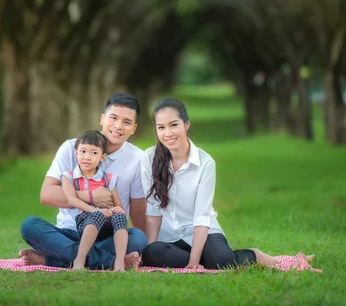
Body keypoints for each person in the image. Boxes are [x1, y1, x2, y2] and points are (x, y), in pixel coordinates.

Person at [140, 97, 321, 272]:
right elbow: (153, 210)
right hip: (169, 237)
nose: (168, 133)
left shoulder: (205, 163)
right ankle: (202, 258)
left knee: (222, 261)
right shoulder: (149, 158)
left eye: (174, 125)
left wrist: (194, 262)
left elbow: (202, 216)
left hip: (203, 231)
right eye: (161, 127)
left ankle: (254, 255)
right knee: (152, 253)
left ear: (186, 124)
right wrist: (149, 251)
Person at [20, 93, 147, 270]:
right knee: (30, 226)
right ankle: (110, 261)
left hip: (107, 236)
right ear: (102, 119)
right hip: (68, 233)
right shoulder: (71, 148)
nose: (118, 126)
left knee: (138, 238)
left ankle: (55, 260)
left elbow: (138, 211)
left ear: (133, 128)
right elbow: (46, 195)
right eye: (113, 118)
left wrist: (145, 249)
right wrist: (90, 196)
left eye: (126, 122)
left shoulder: (138, 159)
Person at [61, 130, 129, 271]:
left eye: (94, 153)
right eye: (83, 151)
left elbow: (120, 207)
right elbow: (71, 199)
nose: (87, 157)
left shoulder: (108, 179)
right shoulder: (69, 176)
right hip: (85, 222)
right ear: (76, 153)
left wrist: (117, 210)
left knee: (121, 218)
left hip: (106, 227)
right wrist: (96, 210)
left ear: (102, 157)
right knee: (97, 215)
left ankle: (119, 262)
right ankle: (79, 260)